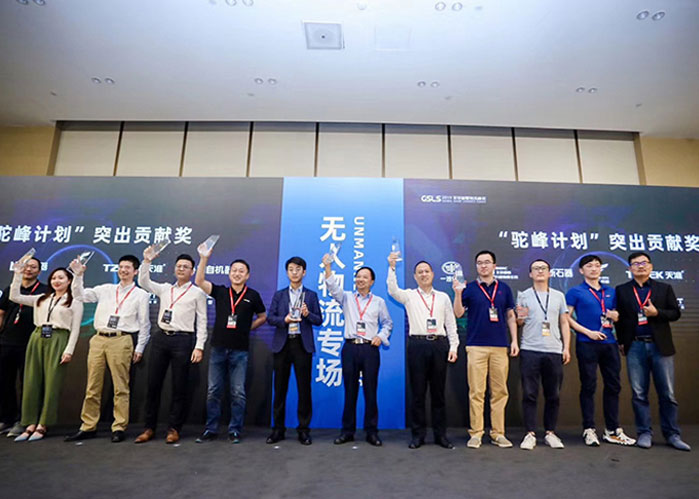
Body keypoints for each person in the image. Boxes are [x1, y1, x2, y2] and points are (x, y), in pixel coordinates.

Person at [64, 255, 151, 443]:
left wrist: (140, 347)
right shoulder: (105, 289)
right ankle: (88, 426)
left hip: (121, 340)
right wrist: (78, 276)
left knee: (121, 387)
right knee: (92, 386)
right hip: (98, 339)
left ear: (135, 271)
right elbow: (80, 295)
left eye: (128, 267)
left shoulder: (141, 295)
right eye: (121, 267)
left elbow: (145, 324)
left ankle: (119, 426)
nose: (123, 270)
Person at [615, 252, 690, 451]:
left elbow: (675, 313)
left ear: (650, 266)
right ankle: (644, 432)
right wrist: (622, 341)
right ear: (630, 268)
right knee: (639, 393)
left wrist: (657, 313)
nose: (640, 266)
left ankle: (672, 434)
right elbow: (621, 320)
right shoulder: (622, 290)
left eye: (644, 263)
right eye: (635, 264)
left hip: (660, 346)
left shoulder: (664, 288)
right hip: (635, 346)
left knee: (667, 393)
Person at [194, 245, 266, 444]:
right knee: (213, 391)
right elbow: (199, 281)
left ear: (247, 275)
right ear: (229, 273)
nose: (237, 274)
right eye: (234, 270)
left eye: (241, 271)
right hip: (218, 348)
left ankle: (235, 430)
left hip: (240, 350)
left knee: (238, 393)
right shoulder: (220, 292)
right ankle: (211, 429)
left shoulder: (253, 295)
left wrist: (248, 327)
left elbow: (263, 316)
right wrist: (204, 258)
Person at [134, 249, 207, 444]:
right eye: (179, 266)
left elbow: (202, 321)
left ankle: (174, 429)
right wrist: (147, 261)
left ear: (192, 271)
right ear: (174, 269)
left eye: (186, 267)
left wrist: (199, 346)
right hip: (161, 338)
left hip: (183, 340)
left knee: (179, 387)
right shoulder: (165, 288)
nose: (181, 269)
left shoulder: (198, 293)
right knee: (153, 385)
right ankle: (149, 428)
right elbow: (144, 282)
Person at [388, 254, 458, 449]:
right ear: (415, 276)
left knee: (438, 394)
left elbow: (451, 324)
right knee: (418, 393)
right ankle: (418, 435)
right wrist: (392, 268)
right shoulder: (409, 295)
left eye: (427, 271)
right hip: (417, 346)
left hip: (439, 345)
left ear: (433, 274)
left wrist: (453, 346)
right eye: (420, 272)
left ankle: (440, 435)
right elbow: (392, 290)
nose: (424, 274)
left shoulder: (443, 297)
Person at [323, 253, 393, 447]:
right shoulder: (346, 298)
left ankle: (372, 432)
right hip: (350, 348)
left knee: (371, 392)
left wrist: (381, 336)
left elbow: (388, 323)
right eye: (358, 276)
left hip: (370, 349)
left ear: (372, 282)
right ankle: (347, 431)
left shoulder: (378, 302)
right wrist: (328, 267)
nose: (360, 279)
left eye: (364, 277)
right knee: (350, 392)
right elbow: (332, 287)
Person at [566, 254, 635, 447]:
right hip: (586, 342)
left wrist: (616, 315)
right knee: (588, 386)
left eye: (597, 265)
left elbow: (618, 316)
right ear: (581, 270)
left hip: (609, 343)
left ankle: (612, 430)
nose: (594, 268)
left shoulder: (611, 291)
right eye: (589, 266)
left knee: (613, 386)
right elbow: (566, 317)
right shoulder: (575, 291)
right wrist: (587, 332)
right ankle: (589, 428)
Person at [9, 264, 83, 441]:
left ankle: (43, 424)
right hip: (37, 337)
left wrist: (69, 350)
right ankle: (30, 423)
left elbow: (75, 329)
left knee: (52, 383)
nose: (56, 281)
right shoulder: (41, 298)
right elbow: (14, 296)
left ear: (69, 281)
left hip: (59, 338)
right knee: (31, 381)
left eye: (61, 278)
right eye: (53, 278)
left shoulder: (74, 301)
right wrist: (17, 275)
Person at [453, 250, 517, 449]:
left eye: (487, 262)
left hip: (500, 346)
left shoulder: (504, 288)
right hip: (476, 346)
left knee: (500, 392)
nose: (483, 266)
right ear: (476, 266)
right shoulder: (469, 288)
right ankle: (476, 433)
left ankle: (498, 433)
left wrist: (514, 341)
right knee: (476, 392)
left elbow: (510, 316)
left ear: (494, 266)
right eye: (480, 263)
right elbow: (458, 313)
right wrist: (458, 293)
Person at [266, 256, 322, 445]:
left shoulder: (311, 295)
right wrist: (285, 320)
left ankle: (303, 430)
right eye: (291, 269)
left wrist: (307, 314)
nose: (294, 272)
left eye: (298, 269)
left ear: (304, 272)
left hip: (302, 345)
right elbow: (270, 318)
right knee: (279, 389)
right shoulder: (279, 295)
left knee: (304, 389)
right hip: (282, 345)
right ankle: (278, 430)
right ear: (287, 272)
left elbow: (319, 320)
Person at [515, 259, 571, 450]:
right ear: (530, 274)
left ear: (550, 273)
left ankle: (550, 433)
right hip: (530, 349)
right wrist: (520, 316)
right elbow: (520, 323)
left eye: (543, 268)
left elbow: (564, 322)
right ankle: (530, 433)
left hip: (554, 350)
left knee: (553, 394)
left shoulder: (558, 296)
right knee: (529, 393)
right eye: (536, 269)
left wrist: (566, 347)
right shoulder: (523, 296)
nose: (540, 271)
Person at [0, 256, 47, 438]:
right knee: (5, 382)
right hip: (6, 342)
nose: (29, 269)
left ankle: (24, 420)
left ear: (39, 271)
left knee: (28, 384)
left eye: (33, 267)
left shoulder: (44, 291)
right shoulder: (11, 289)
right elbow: (2, 312)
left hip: (30, 342)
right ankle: (7, 418)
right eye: (26, 266)